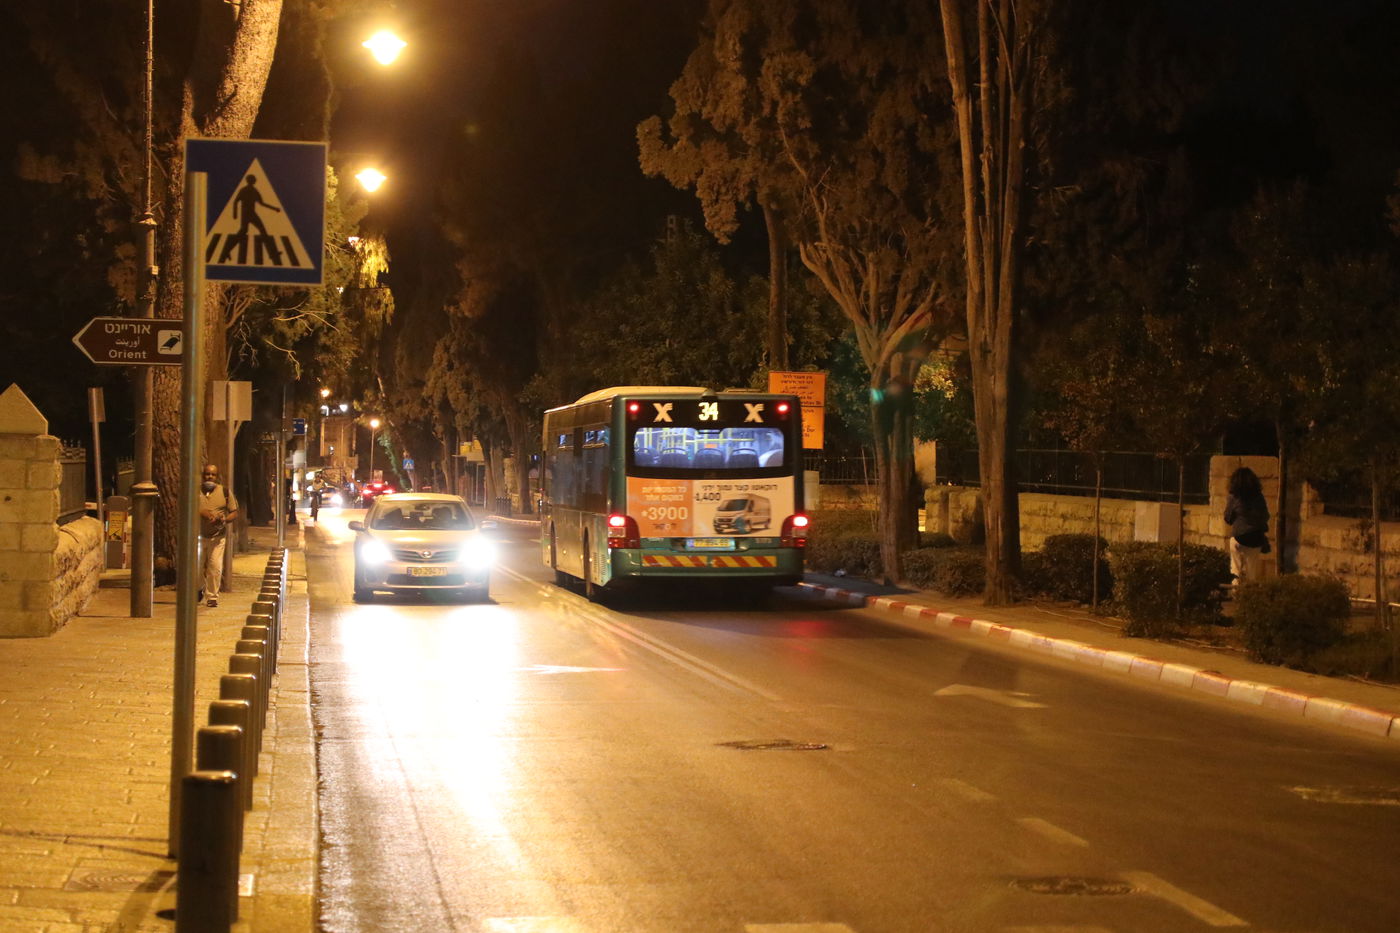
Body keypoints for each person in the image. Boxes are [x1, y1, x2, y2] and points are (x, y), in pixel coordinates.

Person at [199, 463, 239, 608]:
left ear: (217, 477)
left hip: (217, 536)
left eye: (213, 474)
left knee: (214, 567)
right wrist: (204, 513)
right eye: (207, 474)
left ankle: (212, 596)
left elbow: (234, 512)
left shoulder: (225, 492)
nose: (210, 477)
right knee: (197, 567)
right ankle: (198, 588)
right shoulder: (195, 491)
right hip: (198, 536)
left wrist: (224, 519)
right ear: (203, 475)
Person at [1224, 466, 1270, 587]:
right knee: (1252, 572)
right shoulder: (1259, 497)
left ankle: (1235, 593)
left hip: (1238, 537)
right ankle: (1249, 597)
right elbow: (1265, 516)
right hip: (1255, 538)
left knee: (1235, 569)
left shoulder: (1233, 496)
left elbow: (1227, 518)